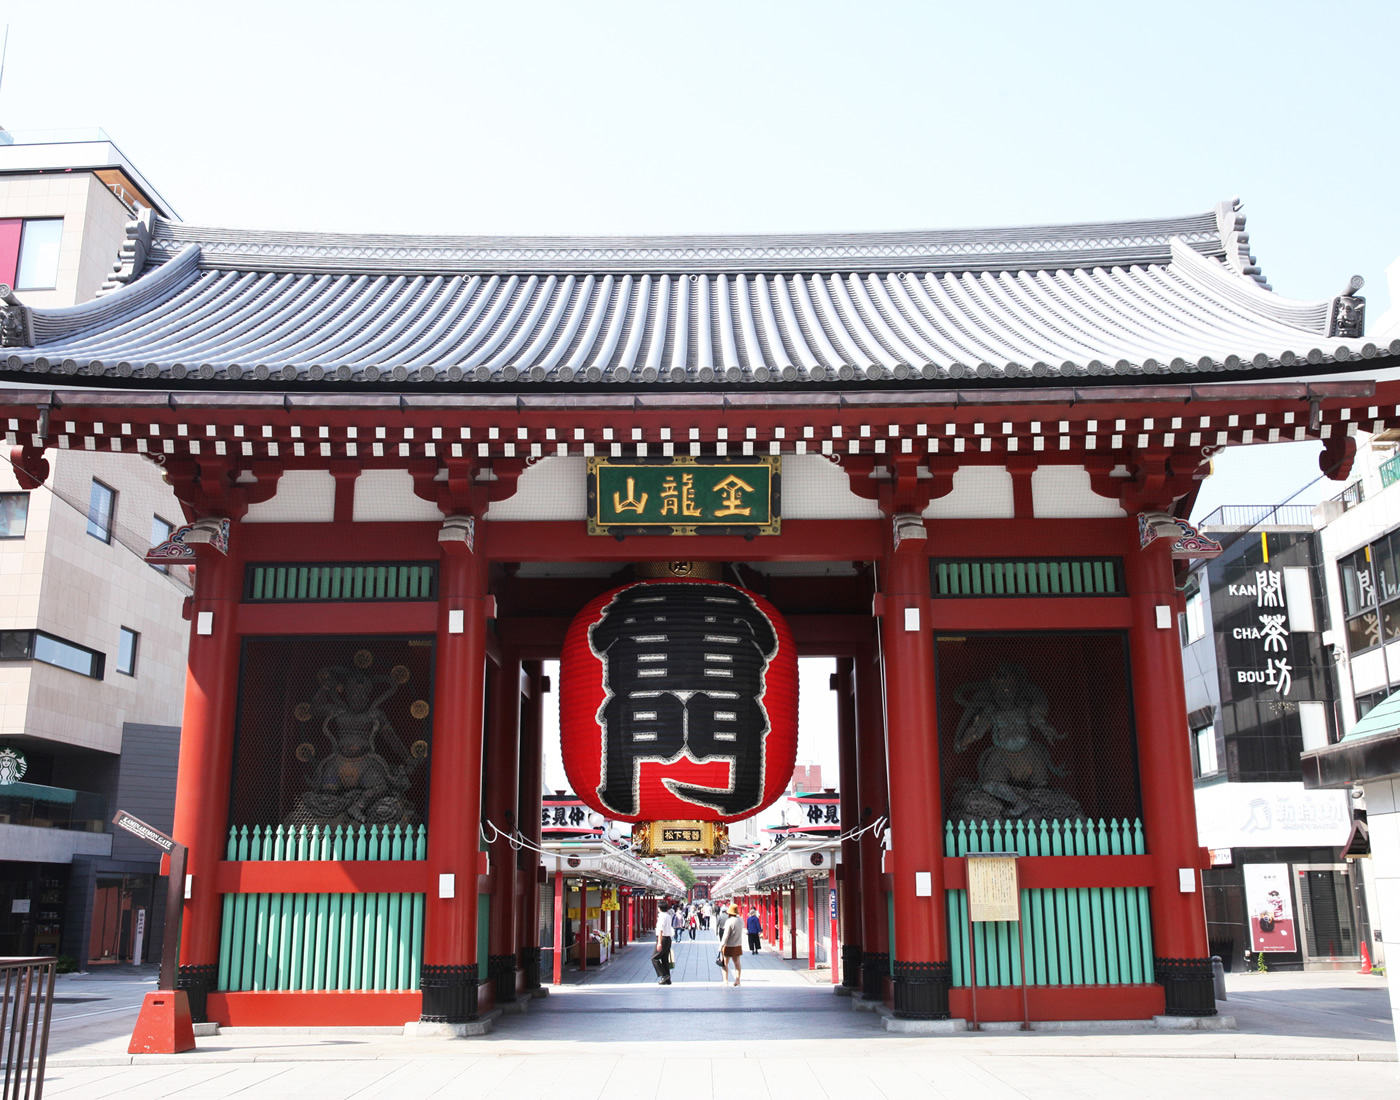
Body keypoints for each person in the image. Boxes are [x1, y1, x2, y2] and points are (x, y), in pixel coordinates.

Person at [718, 902, 744, 985]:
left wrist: (721, 945)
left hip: (729, 945)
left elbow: (725, 936)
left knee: (725, 963)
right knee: (737, 963)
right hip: (738, 944)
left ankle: (725, 980)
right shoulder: (740, 920)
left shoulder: (729, 921)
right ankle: (738, 980)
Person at [653, 901, 673, 985]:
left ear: (659, 908)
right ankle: (668, 979)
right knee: (664, 959)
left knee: (654, 958)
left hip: (663, 939)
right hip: (668, 939)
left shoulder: (661, 917)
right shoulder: (668, 916)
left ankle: (664, 975)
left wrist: (659, 943)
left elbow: (660, 930)